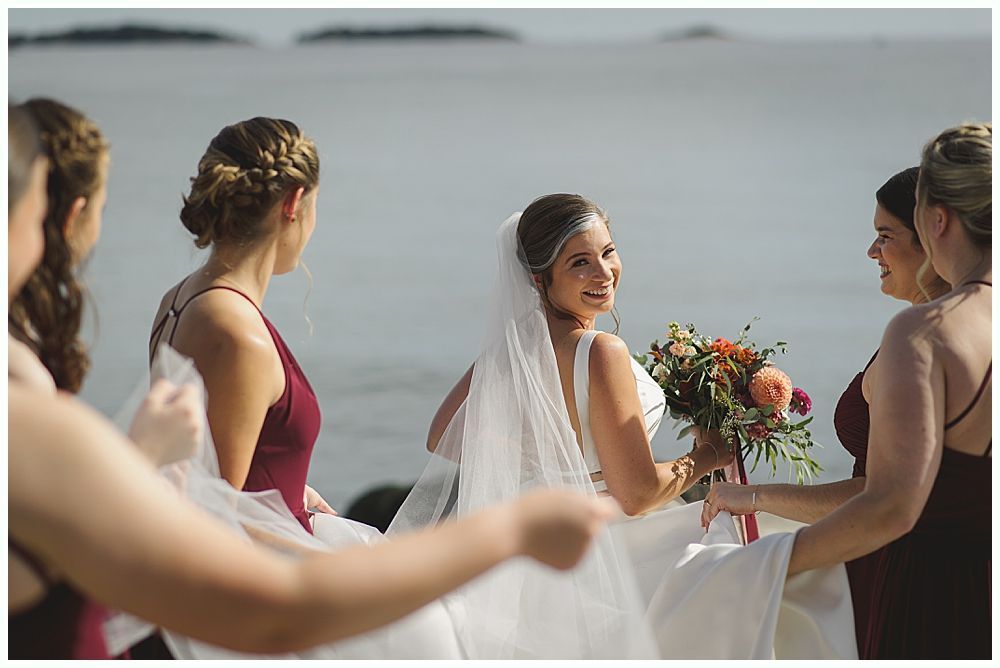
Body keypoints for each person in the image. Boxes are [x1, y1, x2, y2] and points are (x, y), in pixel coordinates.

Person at [8, 102, 616, 660]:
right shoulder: (233, 329)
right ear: (294, 204)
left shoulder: (183, 297)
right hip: (251, 581)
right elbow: (214, 507)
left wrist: (299, 498)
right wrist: (334, 566)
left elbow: (220, 468)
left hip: (277, 533)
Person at [389, 194, 858, 659]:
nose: (603, 273)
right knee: (802, 580)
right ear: (539, 278)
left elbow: (442, 435)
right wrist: (711, 453)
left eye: (607, 252)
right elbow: (636, 494)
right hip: (610, 553)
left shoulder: (509, 352)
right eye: (579, 263)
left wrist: (548, 456)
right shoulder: (599, 350)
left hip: (540, 550)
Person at [702, 165, 951, 650]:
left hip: (893, 565)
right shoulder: (967, 326)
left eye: (885, 236)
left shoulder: (918, 339)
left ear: (931, 236)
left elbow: (876, 492)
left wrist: (758, 511)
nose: (871, 251)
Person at [778, 122, 991, 659]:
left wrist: (766, 565)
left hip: (929, 590)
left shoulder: (927, 332)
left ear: (936, 219)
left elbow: (890, 508)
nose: (872, 248)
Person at [148, 116, 334, 532]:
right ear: (294, 203)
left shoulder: (178, 300)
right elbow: (216, 521)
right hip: (264, 581)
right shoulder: (239, 336)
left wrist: (292, 488)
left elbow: (200, 464)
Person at [9, 97, 200, 469]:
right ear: (74, 215)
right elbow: (50, 518)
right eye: (102, 209)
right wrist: (150, 453)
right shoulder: (19, 374)